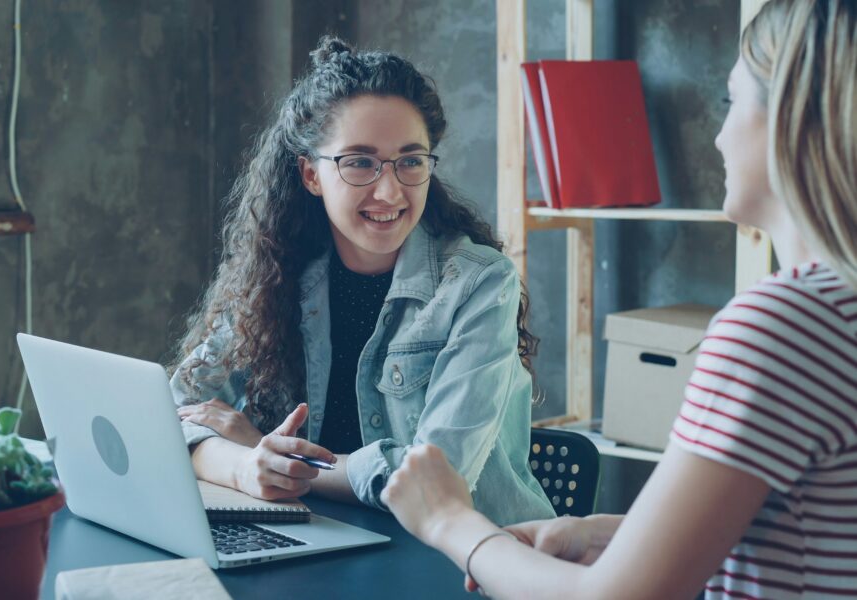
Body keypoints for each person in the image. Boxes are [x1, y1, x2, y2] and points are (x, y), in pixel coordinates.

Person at [381, 0, 857, 597]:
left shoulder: (786, 325)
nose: (717, 135)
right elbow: (809, 532)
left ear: (794, 119)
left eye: (732, 102)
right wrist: (618, 535)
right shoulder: (838, 313)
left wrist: (451, 522)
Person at [168, 36, 556, 525]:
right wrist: (246, 465)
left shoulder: (478, 283)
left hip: (469, 562)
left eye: (411, 160)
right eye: (359, 162)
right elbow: (174, 417)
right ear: (311, 175)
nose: (390, 189)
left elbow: (438, 479)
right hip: (328, 544)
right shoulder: (279, 273)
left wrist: (286, 463)